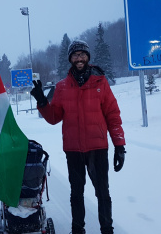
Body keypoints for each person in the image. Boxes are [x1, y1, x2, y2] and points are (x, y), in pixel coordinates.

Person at [30, 40, 126, 234]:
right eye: (75, 55)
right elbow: (54, 117)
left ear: (88, 57)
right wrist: (42, 100)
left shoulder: (101, 82)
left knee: (103, 192)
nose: (79, 58)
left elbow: (113, 116)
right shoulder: (62, 87)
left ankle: (107, 229)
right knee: (76, 193)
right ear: (70, 59)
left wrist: (119, 146)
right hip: (73, 149)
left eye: (82, 54)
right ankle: (77, 229)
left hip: (97, 147)